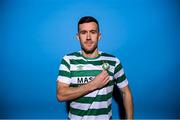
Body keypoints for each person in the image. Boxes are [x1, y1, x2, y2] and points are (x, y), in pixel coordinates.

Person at [57, 16, 133, 119]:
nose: (88, 37)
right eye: (83, 32)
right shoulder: (68, 60)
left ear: (99, 36)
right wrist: (93, 84)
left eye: (93, 32)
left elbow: (125, 92)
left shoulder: (113, 61)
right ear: (77, 36)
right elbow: (61, 95)